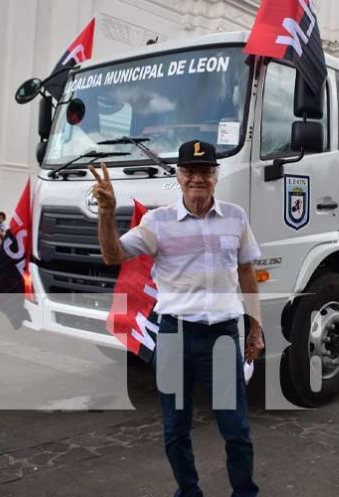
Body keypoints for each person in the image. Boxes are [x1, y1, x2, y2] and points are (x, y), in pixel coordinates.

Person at [90, 140, 264, 497]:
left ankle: (244, 492)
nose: (197, 178)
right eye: (190, 171)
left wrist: (255, 326)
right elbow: (112, 255)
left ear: (215, 176)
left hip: (221, 337)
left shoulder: (236, 217)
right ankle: (188, 491)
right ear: (179, 176)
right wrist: (107, 214)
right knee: (175, 428)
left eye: (205, 172)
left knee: (235, 428)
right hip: (173, 336)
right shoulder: (158, 222)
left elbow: (247, 272)